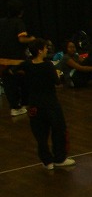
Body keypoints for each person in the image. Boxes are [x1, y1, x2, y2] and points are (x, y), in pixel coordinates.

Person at [11, 39, 75, 169]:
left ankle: (47, 161)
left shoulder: (27, 64)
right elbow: (57, 82)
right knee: (58, 130)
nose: (47, 50)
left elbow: (13, 71)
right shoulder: (47, 66)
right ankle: (59, 158)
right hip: (50, 104)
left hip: (34, 104)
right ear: (40, 51)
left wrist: (26, 77)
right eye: (45, 48)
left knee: (40, 135)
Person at [0, 0, 36, 116]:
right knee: (24, 81)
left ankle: (14, 107)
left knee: (9, 85)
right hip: (17, 59)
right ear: (20, 11)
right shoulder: (18, 22)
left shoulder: (2, 22)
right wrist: (32, 39)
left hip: (2, 60)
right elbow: (21, 39)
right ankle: (24, 103)